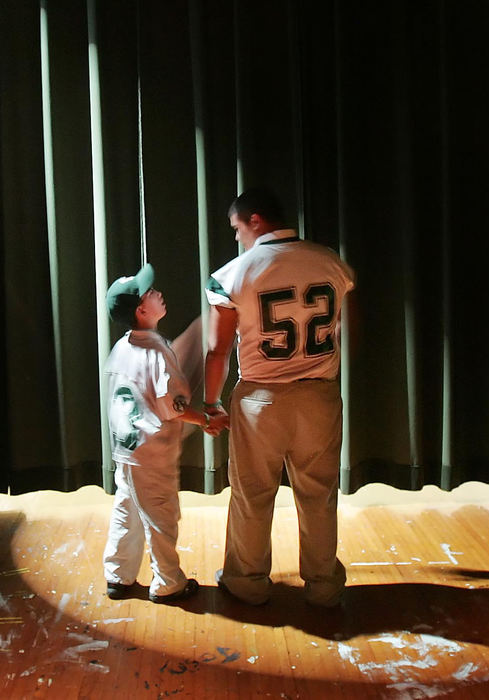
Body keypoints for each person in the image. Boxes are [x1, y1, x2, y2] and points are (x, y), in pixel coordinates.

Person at [203, 187, 355, 607]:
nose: (236, 237)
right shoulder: (330, 261)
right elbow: (342, 324)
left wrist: (212, 403)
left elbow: (217, 349)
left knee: (252, 493)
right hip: (319, 395)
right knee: (319, 495)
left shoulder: (233, 273)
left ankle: (248, 582)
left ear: (254, 220)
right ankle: (324, 586)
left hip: (261, 399)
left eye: (236, 227)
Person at [102, 263, 228, 604]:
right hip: (151, 453)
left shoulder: (121, 347)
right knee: (161, 516)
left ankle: (118, 574)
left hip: (126, 451)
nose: (158, 292)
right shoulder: (156, 352)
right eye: (150, 292)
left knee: (127, 509)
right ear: (143, 310)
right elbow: (171, 406)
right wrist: (206, 420)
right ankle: (168, 582)